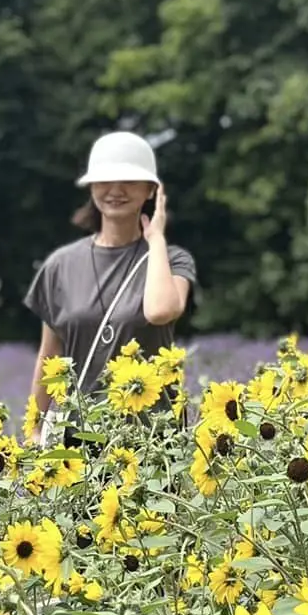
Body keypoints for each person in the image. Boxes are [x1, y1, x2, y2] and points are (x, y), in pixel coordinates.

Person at [25, 130, 197, 428]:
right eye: (105, 180)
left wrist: (155, 238)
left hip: (155, 444)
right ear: (92, 187)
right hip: (79, 444)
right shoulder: (60, 266)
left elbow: (160, 311)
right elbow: (48, 355)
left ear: (152, 190)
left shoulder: (172, 260)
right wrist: (33, 429)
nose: (116, 190)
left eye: (129, 181)